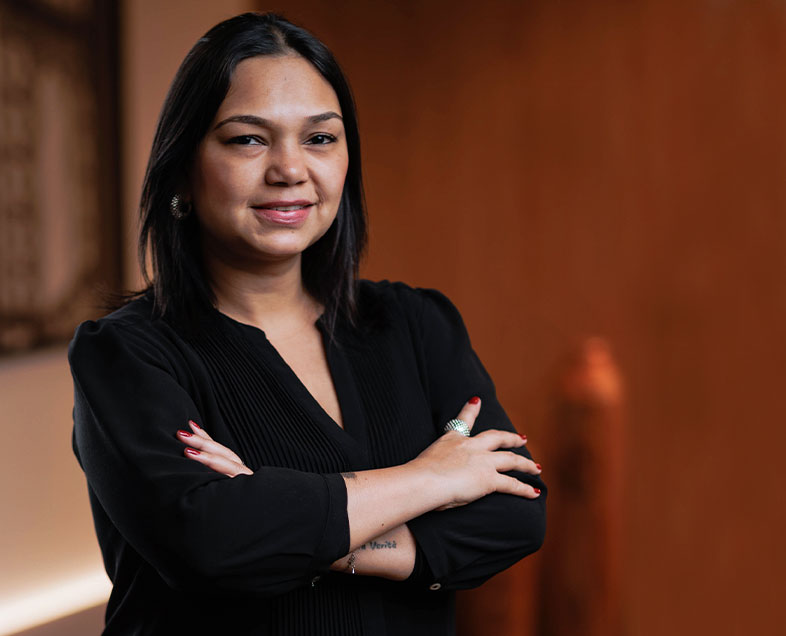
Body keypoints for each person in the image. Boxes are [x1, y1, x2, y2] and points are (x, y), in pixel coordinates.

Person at [69, 12, 546, 636]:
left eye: (320, 138)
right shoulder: (128, 355)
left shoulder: (414, 323)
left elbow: (514, 515)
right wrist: (429, 480)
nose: (291, 169)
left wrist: (283, 515)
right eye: (248, 139)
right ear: (184, 164)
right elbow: (212, 543)